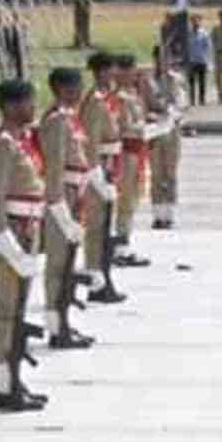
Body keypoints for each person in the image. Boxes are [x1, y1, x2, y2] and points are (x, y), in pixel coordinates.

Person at [0, 79, 48, 413]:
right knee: (5, 312)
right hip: (11, 231)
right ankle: (3, 386)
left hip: (28, 230)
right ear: (9, 107)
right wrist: (9, 247)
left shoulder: (24, 141)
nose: (33, 107)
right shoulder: (2, 146)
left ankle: (14, 379)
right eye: (27, 102)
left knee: (18, 312)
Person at [39, 67, 94, 349]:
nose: (81, 92)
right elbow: (54, 169)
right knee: (58, 266)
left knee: (67, 265)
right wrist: (62, 213)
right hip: (63, 196)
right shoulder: (57, 121)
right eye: (76, 87)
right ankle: (56, 328)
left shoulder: (69, 118)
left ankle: (64, 322)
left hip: (74, 194)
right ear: (62, 89)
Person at [79, 51, 127, 304]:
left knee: (104, 227)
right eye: (111, 69)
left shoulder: (106, 99)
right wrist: (97, 177)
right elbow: (90, 142)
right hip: (100, 168)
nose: (115, 74)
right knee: (97, 228)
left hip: (110, 165)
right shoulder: (96, 103)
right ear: (102, 72)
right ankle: (96, 280)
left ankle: (102, 277)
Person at [112, 53, 153, 268]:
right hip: (126, 153)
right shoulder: (119, 98)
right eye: (129, 71)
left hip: (137, 151)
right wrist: (147, 129)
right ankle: (119, 246)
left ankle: (124, 242)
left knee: (133, 199)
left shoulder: (133, 94)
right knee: (125, 200)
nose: (134, 75)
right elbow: (124, 127)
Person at [147, 46, 187, 231]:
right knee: (156, 174)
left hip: (172, 131)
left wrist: (173, 112)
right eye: (159, 58)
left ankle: (169, 213)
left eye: (167, 58)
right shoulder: (147, 81)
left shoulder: (176, 80)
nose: (163, 62)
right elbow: (144, 104)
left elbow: (182, 104)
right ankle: (158, 214)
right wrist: (154, 115)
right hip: (155, 132)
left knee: (170, 173)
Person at [187, 15, 211, 107]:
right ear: (191, 22)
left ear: (200, 22)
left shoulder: (204, 34)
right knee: (191, 82)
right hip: (191, 61)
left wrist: (207, 60)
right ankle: (192, 100)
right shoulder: (188, 33)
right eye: (193, 21)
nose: (195, 23)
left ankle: (202, 99)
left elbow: (208, 47)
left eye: (197, 21)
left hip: (202, 60)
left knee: (202, 81)